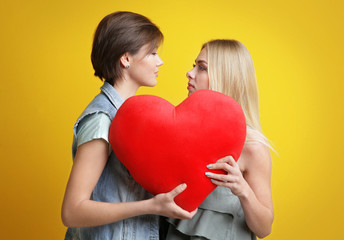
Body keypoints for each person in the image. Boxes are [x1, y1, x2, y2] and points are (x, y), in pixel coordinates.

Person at [61, 11, 196, 240]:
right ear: (126, 59)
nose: (160, 61)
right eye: (152, 53)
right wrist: (151, 206)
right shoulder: (102, 119)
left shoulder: (135, 117)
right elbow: (72, 211)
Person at [164, 40, 274, 239]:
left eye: (202, 67)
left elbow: (264, 229)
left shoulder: (252, 147)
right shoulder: (185, 132)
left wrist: (243, 189)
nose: (190, 73)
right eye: (194, 65)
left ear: (225, 76)